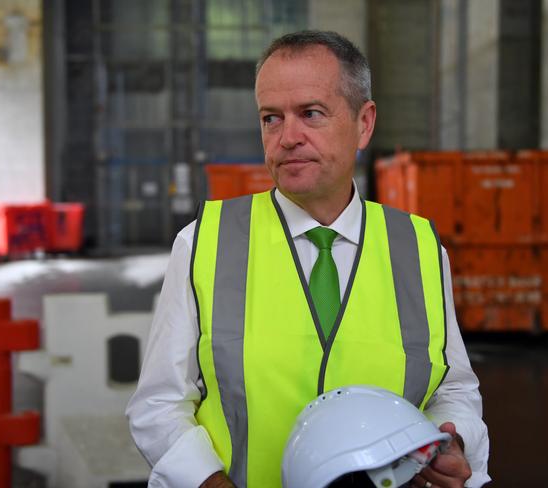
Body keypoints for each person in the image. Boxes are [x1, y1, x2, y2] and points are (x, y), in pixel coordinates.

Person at [127, 30, 490, 488]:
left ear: (364, 123)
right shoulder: (203, 243)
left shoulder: (419, 249)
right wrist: (208, 482)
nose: (287, 138)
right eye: (270, 118)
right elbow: (158, 404)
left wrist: (453, 442)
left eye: (310, 114)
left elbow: (452, 389)